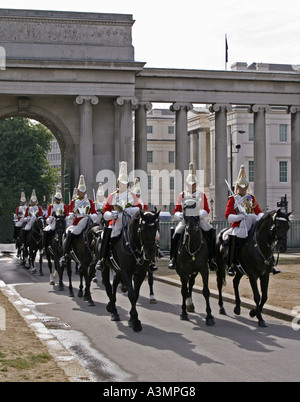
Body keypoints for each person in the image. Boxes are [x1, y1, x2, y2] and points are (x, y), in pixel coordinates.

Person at [224, 165, 273, 276]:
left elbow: (258, 211)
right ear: (238, 187)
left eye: (245, 187)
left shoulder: (251, 198)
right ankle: (231, 264)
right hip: (238, 224)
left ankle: (271, 263)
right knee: (233, 239)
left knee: (265, 238)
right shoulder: (233, 199)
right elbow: (228, 215)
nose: (243, 189)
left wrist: (261, 216)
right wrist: (239, 217)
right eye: (241, 187)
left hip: (251, 222)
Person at [168, 163, 218, 271]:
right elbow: (176, 210)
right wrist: (181, 215)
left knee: (211, 232)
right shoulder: (182, 195)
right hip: (185, 221)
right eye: (190, 184)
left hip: (198, 220)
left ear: (196, 184)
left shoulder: (201, 195)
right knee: (176, 234)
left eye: (194, 184)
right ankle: (172, 258)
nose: (192, 186)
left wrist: (199, 214)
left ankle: (212, 259)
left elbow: (207, 210)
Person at [96, 161, 142, 271]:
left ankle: (148, 259)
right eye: (121, 183)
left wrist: (131, 210)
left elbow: (139, 208)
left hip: (129, 222)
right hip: (116, 222)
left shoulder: (132, 196)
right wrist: (110, 215)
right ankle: (102, 259)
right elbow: (106, 211)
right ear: (118, 184)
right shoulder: (112, 196)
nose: (123, 185)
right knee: (105, 235)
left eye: (125, 183)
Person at [60, 175, 97, 263]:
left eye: (84, 191)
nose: (82, 193)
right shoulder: (73, 202)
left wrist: (94, 216)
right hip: (77, 223)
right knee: (70, 233)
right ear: (78, 192)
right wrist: (71, 216)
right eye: (81, 191)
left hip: (88, 221)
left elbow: (94, 212)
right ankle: (65, 254)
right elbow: (70, 212)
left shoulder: (90, 201)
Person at [42, 185, 68, 255]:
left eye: (59, 199)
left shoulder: (64, 205)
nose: (58, 200)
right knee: (46, 232)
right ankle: (45, 247)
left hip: (62, 221)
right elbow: (48, 216)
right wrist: (50, 218)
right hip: (53, 222)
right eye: (57, 199)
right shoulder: (51, 206)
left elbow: (66, 214)